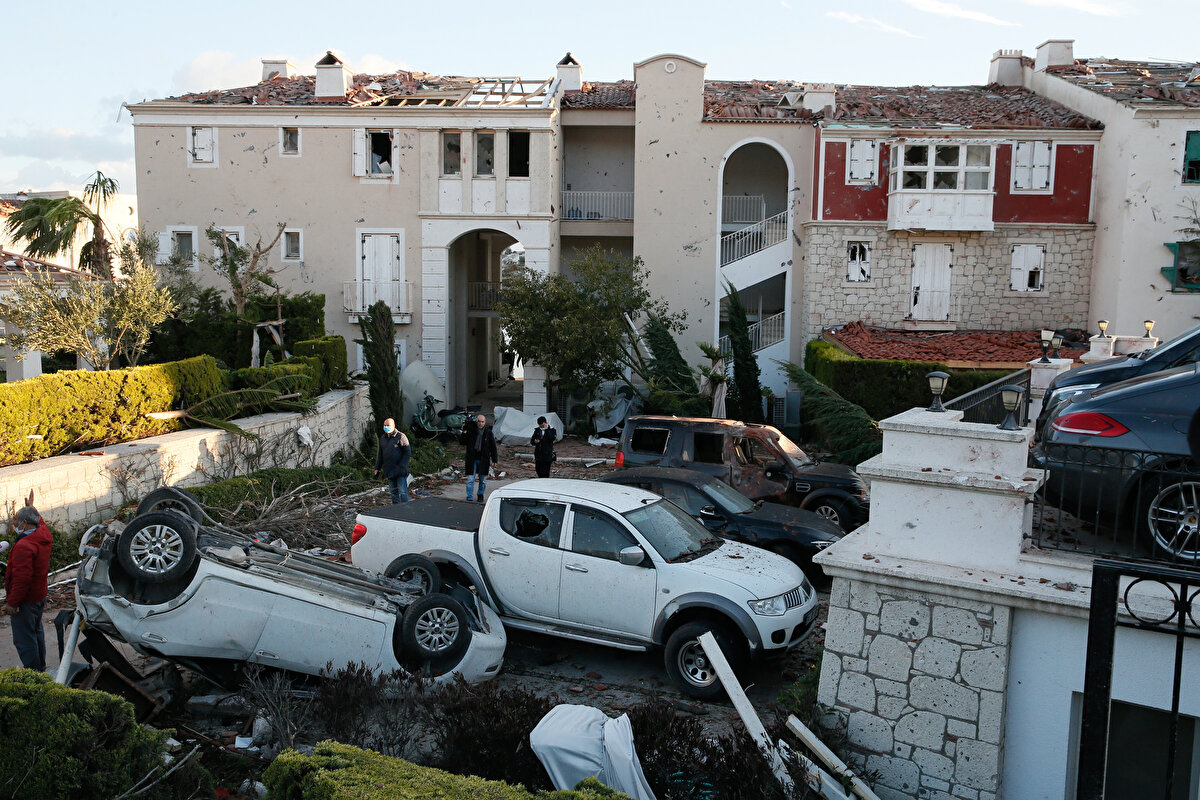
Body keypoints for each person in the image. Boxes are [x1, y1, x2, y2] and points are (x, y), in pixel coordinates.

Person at [4, 505, 52, 671]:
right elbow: (41, 521)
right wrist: (31, 506)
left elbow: (22, 579)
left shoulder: (24, 546)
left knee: (25, 640)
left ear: (25, 523)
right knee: (36, 633)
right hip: (39, 596)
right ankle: (41, 669)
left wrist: (12, 603)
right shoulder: (43, 534)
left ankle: (34, 674)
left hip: (26, 601)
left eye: (16, 520)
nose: (14, 523)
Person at [374, 418, 412, 503]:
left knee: (403, 492)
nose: (386, 427)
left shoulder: (401, 436)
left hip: (400, 471)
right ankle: (396, 511)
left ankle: (406, 510)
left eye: (388, 425)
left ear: (394, 426)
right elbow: (380, 454)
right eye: (385, 425)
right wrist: (377, 468)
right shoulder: (383, 438)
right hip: (389, 470)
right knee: (393, 493)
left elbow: (407, 452)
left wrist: (402, 465)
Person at [462, 413, 498, 501]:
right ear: (476, 422)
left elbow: (493, 447)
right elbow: (463, 441)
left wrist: (494, 460)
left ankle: (480, 494)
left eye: (482, 422)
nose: (480, 423)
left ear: (485, 422)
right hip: (472, 458)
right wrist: (464, 432)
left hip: (483, 459)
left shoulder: (488, 432)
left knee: (483, 480)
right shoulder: (472, 430)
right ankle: (469, 495)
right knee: (470, 479)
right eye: (479, 421)